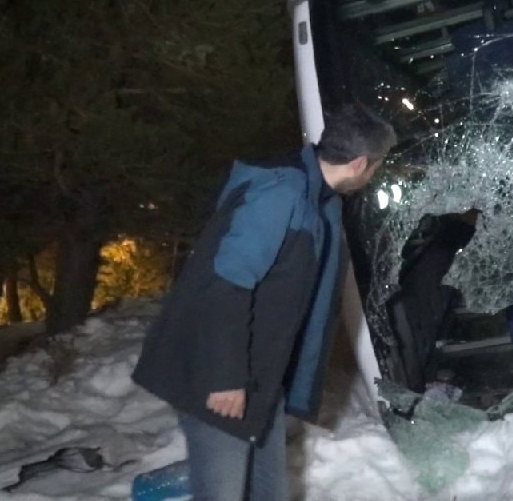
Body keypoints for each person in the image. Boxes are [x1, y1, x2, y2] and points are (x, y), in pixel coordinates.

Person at [133, 103, 395, 500]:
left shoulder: (320, 202)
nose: (374, 174)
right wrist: (225, 379)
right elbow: (226, 284)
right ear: (360, 164)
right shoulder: (280, 193)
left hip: (260, 379)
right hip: (218, 376)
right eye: (377, 166)